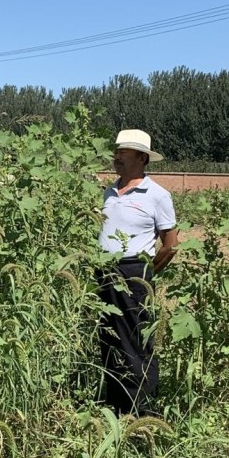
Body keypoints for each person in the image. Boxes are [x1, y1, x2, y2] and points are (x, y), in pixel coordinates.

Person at [97, 129, 178, 416]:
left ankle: (142, 409)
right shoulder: (109, 191)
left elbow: (170, 245)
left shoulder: (157, 195)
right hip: (104, 271)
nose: (116, 156)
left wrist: (144, 273)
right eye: (116, 151)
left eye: (124, 152)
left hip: (134, 272)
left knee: (135, 339)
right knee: (108, 338)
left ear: (142, 158)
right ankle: (116, 403)